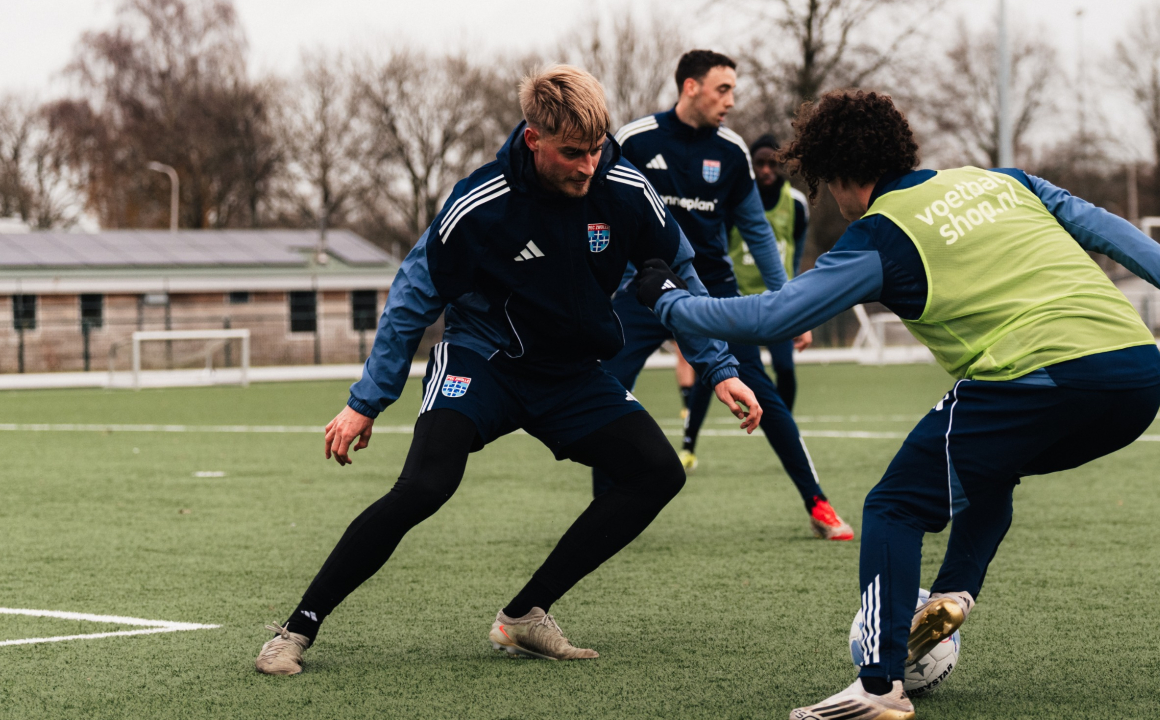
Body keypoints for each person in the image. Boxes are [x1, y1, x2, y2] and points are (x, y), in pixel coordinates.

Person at [633, 89, 1160, 719]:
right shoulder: (1003, 181)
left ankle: (879, 686)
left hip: (1037, 375)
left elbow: (768, 316)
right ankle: (955, 591)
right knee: (989, 461)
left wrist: (666, 299)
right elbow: (1107, 228)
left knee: (894, 503)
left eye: (827, 184)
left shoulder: (881, 236)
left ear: (844, 176)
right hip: (1135, 375)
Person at [253, 65, 763, 676]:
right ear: (534, 139)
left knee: (656, 472)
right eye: (572, 153)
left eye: (596, 151)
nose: (587, 167)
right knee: (425, 487)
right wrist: (368, 399)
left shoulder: (624, 187)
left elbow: (679, 270)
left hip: (570, 372)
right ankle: (296, 629)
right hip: (484, 360)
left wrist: (719, 368)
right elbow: (416, 292)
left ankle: (525, 615)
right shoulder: (482, 201)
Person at [605, 49, 853, 541]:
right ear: (691, 87)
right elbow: (601, 213)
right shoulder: (635, 141)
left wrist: (791, 304)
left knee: (763, 394)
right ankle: (605, 510)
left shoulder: (732, 151)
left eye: (734, 90)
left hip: (712, 293)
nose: (732, 101)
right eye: (723, 89)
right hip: (640, 289)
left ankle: (817, 502)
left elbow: (758, 234)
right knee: (605, 391)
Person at [678, 133, 813, 464]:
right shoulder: (733, 199)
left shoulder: (796, 204)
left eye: (773, 163)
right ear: (751, 166)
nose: (766, 169)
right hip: (736, 304)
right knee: (715, 370)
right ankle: (689, 445)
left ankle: (784, 432)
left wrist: (794, 300)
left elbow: (793, 254)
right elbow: (717, 246)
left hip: (775, 303)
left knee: (784, 367)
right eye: (760, 163)